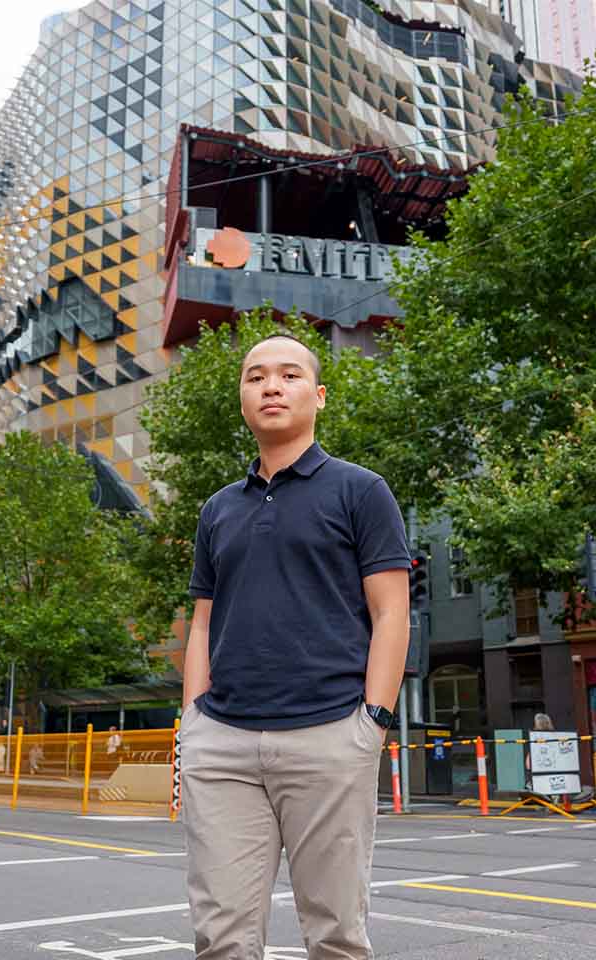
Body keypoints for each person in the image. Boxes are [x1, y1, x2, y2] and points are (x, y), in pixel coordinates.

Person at [180, 333, 411, 959]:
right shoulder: (217, 510)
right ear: (243, 397)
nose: (271, 386)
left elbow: (391, 612)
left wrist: (373, 723)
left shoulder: (360, 491)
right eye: (256, 377)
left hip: (330, 735)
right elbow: (202, 622)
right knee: (220, 936)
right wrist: (192, 722)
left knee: (335, 934)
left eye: (288, 375)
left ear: (319, 395)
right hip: (221, 744)